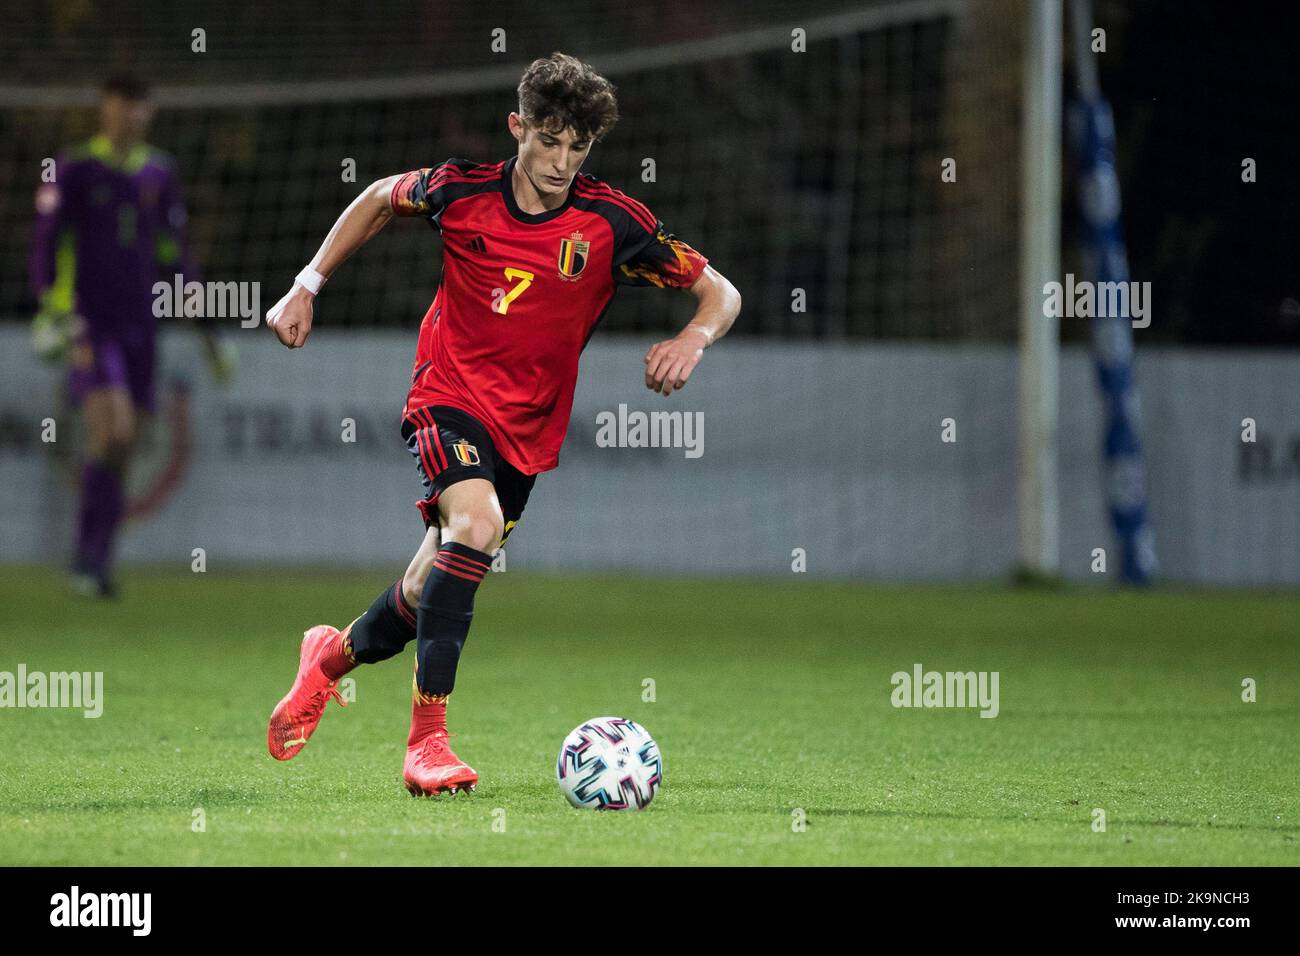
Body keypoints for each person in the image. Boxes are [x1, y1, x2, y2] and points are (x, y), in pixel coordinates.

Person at [265, 52, 741, 796]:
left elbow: (721, 292)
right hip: (447, 395)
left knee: (426, 591)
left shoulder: (613, 223)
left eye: (576, 147)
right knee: (476, 526)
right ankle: (428, 744)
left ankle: (325, 660)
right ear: (517, 127)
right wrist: (307, 285)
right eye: (547, 140)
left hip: (529, 434)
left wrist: (693, 338)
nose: (559, 161)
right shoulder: (461, 190)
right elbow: (380, 199)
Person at [29, 73, 234, 598]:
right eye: (122, 105)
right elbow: (47, 245)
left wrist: (207, 325)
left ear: (150, 113)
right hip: (91, 324)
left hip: (143, 326)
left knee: (126, 445)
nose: (131, 115)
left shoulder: (159, 173)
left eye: (140, 107)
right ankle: (87, 556)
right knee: (115, 433)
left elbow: (175, 253)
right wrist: (56, 310)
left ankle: (95, 561)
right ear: (105, 109)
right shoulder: (72, 167)